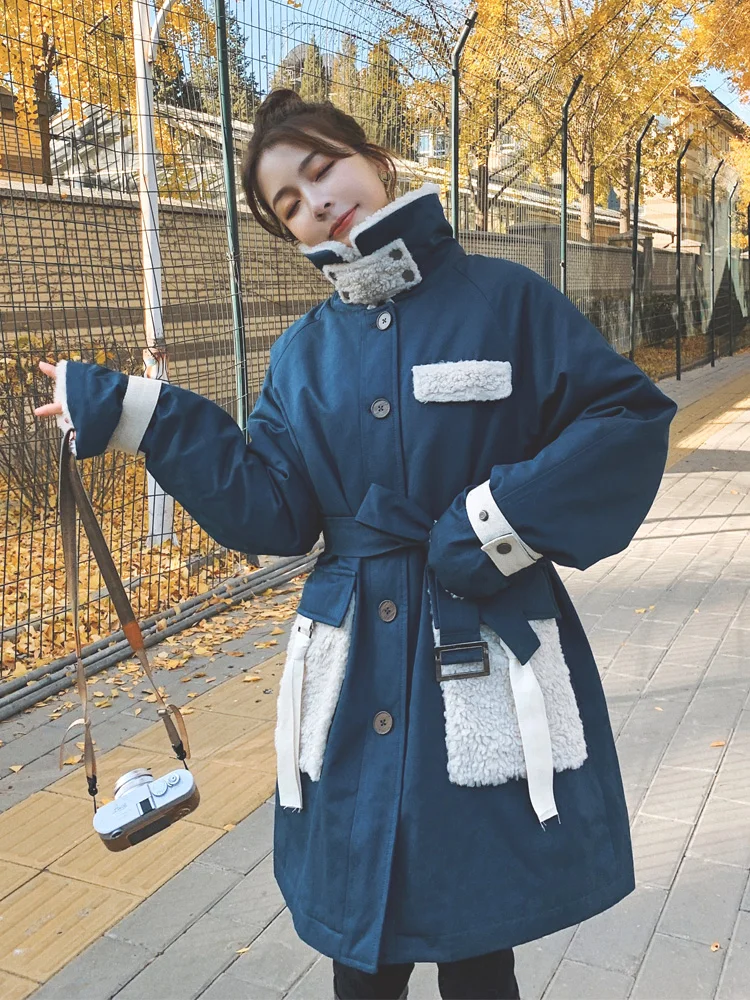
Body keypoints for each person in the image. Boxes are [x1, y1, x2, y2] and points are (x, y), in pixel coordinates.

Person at [35, 89, 677, 1000]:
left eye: (321, 169)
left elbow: (627, 419)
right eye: (288, 203)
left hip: (478, 645)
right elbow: (274, 512)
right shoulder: (303, 354)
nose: (316, 202)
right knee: (359, 950)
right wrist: (146, 417)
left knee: (477, 945)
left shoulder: (505, 301)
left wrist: (493, 525)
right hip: (350, 666)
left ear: (374, 160)